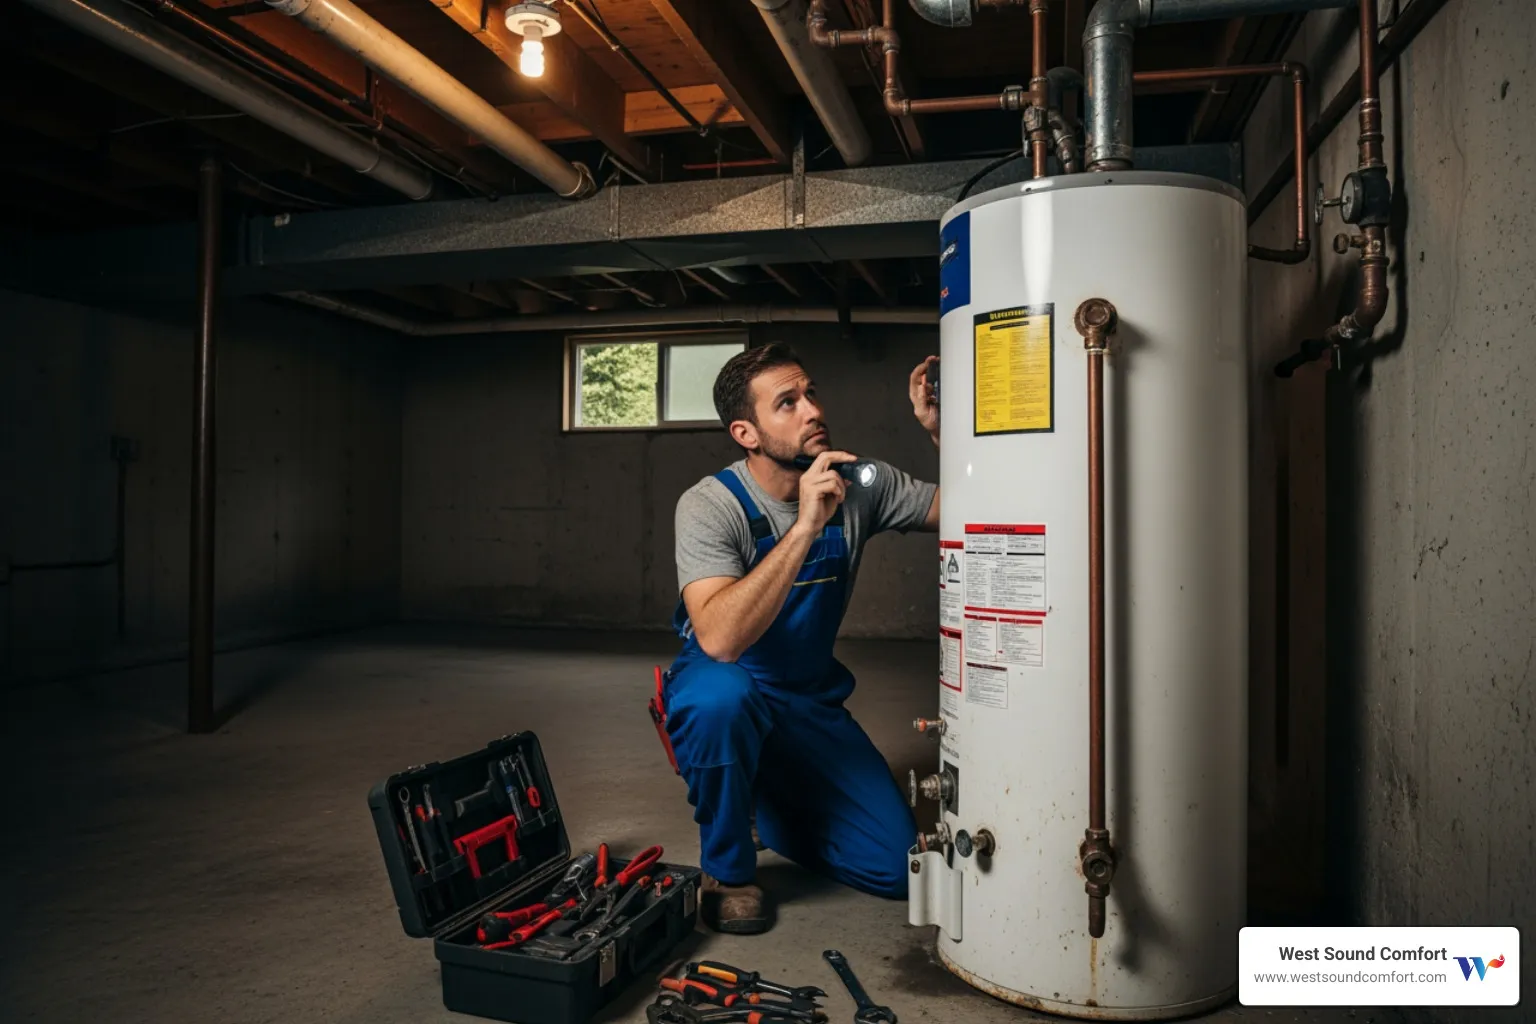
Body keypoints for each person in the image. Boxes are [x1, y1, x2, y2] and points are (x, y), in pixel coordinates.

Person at [662, 342, 940, 934]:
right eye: (786, 403)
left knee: (899, 871)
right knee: (718, 699)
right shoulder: (711, 505)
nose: (812, 409)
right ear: (747, 433)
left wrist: (943, 434)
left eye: (810, 393)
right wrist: (808, 526)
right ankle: (728, 867)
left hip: (807, 702)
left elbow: (975, 509)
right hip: (730, 684)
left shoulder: (862, 483)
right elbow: (718, 638)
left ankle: (759, 795)